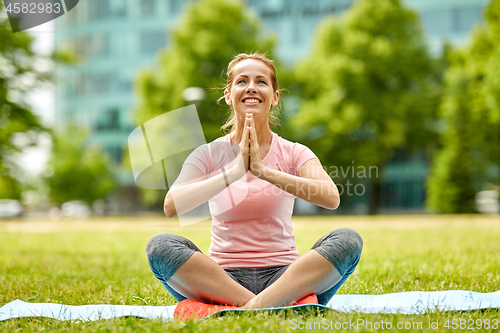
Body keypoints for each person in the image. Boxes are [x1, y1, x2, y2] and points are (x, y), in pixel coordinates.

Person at [146, 53, 363, 310]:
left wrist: (263, 171)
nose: (251, 87)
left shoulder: (294, 152)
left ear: (275, 97)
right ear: (228, 95)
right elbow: (172, 205)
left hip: (285, 279)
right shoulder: (207, 154)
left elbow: (331, 197)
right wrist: (234, 172)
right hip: (222, 279)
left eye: (261, 81)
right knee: (159, 246)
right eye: (242, 81)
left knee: (348, 240)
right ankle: (274, 307)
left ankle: (242, 309)